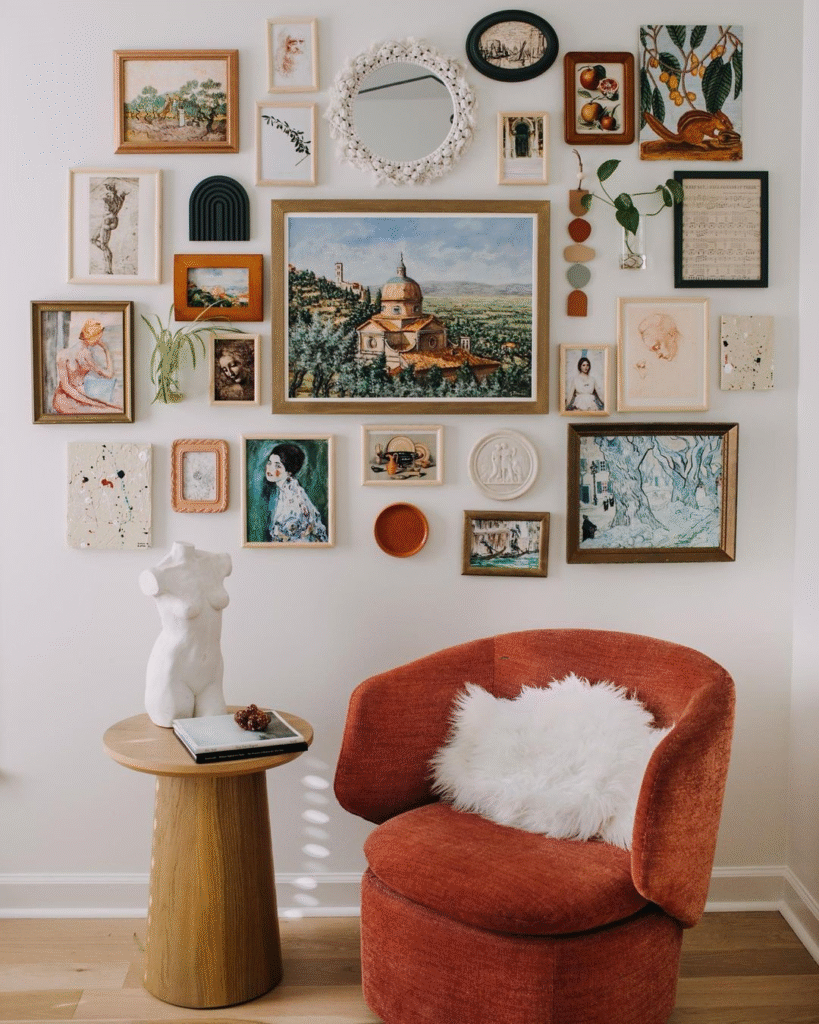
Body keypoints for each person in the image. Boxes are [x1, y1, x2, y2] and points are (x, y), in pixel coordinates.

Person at [52, 318, 121, 414]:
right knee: (112, 410)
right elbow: (109, 374)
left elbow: (66, 386)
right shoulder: (85, 355)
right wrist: (106, 349)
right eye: (99, 337)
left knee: (115, 408)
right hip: (67, 400)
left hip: (69, 397)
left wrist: (95, 402)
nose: (99, 340)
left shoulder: (63, 354)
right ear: (94, 337)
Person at [263, 442, 328, 543]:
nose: (270, 468)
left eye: (278, 466)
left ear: (289, 471)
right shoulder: (287, 490)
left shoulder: (293, 497)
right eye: (269, 462)